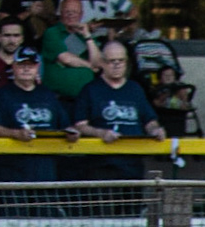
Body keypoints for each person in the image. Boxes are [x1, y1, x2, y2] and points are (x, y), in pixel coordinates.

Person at [0, 46, 77, 212]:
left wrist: (73, 133)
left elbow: (65, 125)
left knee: (44, 224)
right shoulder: (3, 95)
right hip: (12, 171)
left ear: (37, 67)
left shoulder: (48, 95)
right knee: (14, 225)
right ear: (14, 67)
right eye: (22, 64)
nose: (26, 68)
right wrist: (16, 134)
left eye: (31, 65)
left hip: (45, 171)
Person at [71, 40, 165, 182]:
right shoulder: (90, 90)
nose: (117, 65)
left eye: (121, 60)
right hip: (101, 164)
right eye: (111, 61)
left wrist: (155, 130)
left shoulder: (135, 89)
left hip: (132, 163)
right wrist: (101, 133)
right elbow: (80, 125)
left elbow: (149, 120)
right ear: (102, 62)